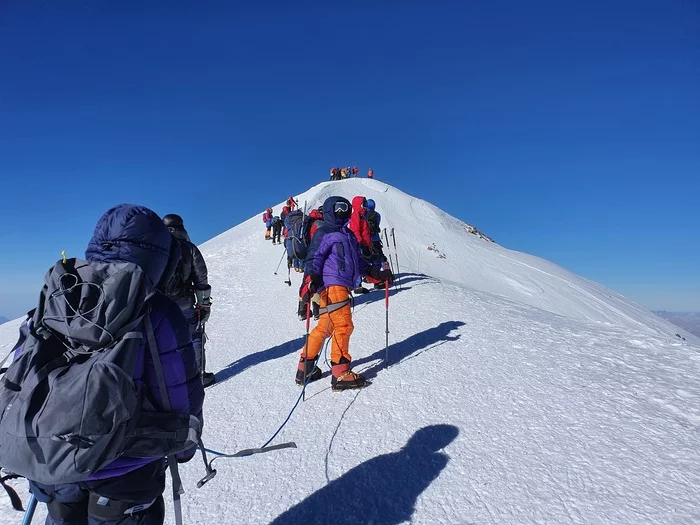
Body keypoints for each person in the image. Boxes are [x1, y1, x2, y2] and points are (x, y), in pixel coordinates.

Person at [20, 204, 204, 525]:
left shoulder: (62, 292)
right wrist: (184, 446)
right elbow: (177, 393)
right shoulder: (157, 310)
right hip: (126, 467)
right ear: (160, 256)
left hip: (54, 458)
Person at [295, 196, 374, 390]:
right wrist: (309, 279)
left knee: (325, 327)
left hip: (338, 286)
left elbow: (360, 261)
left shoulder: (348, 235)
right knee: (343, 324)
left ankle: (305, 368)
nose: (341, 211)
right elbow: (314, 257)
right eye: (337, 207)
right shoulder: (324, 232)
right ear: (330, 210)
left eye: (345, 207)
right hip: (332, 285)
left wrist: (375, 273)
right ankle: (340, 372)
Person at [163, 213, 214, 387]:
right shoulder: (189, 248)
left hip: (160, 305)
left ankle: (168, 380)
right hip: (184, 302)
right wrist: (204, 304)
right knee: (194, 336)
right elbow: (201, 278)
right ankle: (198, 376)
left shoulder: (157, 249)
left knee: (164, 340)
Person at [348, 196, 373, 294]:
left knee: (365, 263)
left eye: (366, 204)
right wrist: (359, 242)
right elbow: (355, 229)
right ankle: (357, 286)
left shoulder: (363, 215)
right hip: (359, 244)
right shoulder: (356, 214)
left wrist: (369, 244)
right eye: (364, 204)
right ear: (359, 205)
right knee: (357, 264)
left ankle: (367, 279)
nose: (365, 206)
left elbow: (366, 231)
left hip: (365, 243)